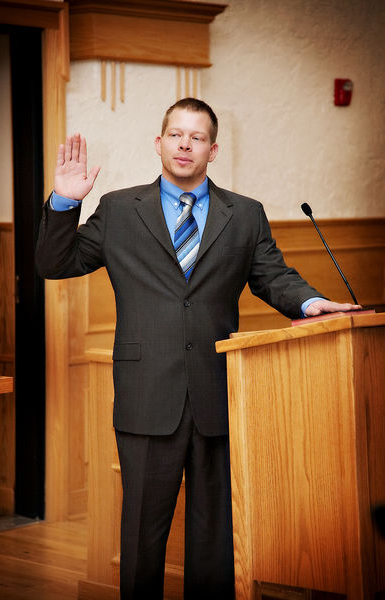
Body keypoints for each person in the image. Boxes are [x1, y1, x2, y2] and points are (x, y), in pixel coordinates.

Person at [36, 98, 360, 600]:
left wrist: (311, 301)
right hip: (146, 396)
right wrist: (63, 201)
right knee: (143, 536)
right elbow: (56, 263)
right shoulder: (120, 209)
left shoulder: (245, 214)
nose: (185, 144)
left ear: (213, 150)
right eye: (175, 135)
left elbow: (272, 276)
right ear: (159, 142)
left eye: (197, 137)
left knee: (214, 540)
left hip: (217, 393)